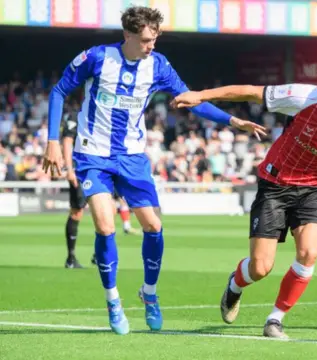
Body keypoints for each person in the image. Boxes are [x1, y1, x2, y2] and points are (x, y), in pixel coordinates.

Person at [42, 6, 266, 335]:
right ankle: (113, 299)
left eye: (155, 39)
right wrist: (51, 140)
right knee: (105, 228)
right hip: (93, 154)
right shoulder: (97, 58)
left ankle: (148, 293)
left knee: (153, 225)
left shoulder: (158, 66)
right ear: (128, 35)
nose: (152, 45)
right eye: (147, 39)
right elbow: (59, 90)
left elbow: (192, 100)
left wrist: (234, 121)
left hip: (132, 157)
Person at [171, 63, 317, 339]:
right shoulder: (302, 98)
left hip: (312, 191)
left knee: (309, 253)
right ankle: (234, 286)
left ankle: (275, 319)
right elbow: (250, 92)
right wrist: (202, 95)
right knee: (260, 268)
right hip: (274, 184)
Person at [61, 111, 141, 269]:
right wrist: (69, 169)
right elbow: (67, 142)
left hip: (98, 169)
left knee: (110, 208)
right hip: (79, 169)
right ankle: (71, 258)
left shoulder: (102, 114)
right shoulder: (76, 116)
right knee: (77, 212)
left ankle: (98, 255)